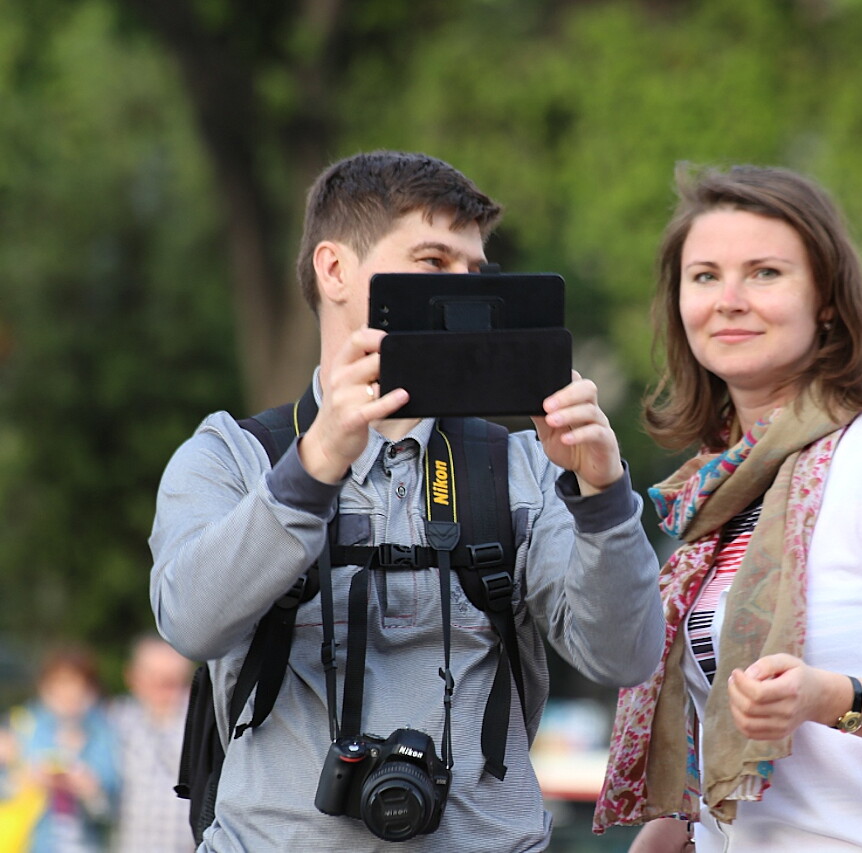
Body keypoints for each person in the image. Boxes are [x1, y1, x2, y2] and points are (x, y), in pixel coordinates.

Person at [149, 150, 664, 851]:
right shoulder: (230, 457)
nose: (460, 292)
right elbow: (189, 621)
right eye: (432, 264)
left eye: (473, 273)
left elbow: (625, 656)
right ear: (335, 270)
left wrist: (603, 496)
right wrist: (313, 469)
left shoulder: (519, 465)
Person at [593, 164, 862, 851]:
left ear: (826, 299)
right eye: (704, 276)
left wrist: (830, 698)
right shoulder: (715, 493)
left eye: (764, 273)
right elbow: (720, 761)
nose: (728, 299)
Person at [2, 645, 120, 853]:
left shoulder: (102, 731)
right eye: (61, 686)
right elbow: (5, 790)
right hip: (31, 844)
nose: (69, 695)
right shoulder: (22, 725)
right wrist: (25, 778)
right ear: (45, 687)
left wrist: (90, 790)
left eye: (77, 686)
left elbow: (110, 809)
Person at [107, 634, 195, 853]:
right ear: (133, 677)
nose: (163, 689)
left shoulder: (201, 722)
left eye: (172, 681)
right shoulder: (117, 718)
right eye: (154, 679)